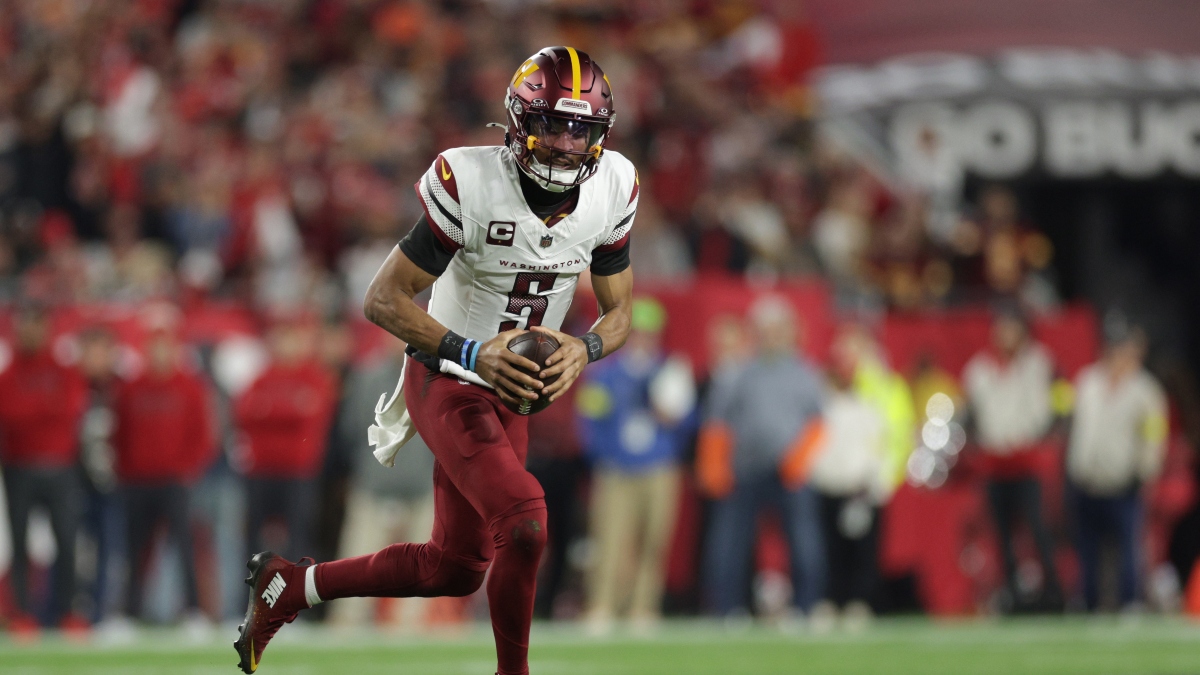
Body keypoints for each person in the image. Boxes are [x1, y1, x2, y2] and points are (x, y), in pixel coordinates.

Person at [234, 46, 636, 675]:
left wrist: (583, 350)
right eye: (552, 125)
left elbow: (620, 312)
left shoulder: (612, 185)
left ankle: (291, 587)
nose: (566, 144)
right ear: (519, 121)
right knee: (526, 522)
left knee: (455, 568)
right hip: (448, 375)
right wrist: (471, 352)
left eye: (580, 129)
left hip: (515, 394)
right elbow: (382, 299)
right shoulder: (471, 182)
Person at [696, 296, 826, 619]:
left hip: (790, 472)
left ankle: (806, 607)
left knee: (804, 542)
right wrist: (714, 466)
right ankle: (726, 609)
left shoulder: (804, 373)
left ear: (790, 331)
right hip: (744, 470)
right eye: (764, 329)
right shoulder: (739, 372)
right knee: (729, 543)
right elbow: (717, 421)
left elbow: (818, 422)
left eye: (777, 329)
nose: (771, 336)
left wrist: (800, 458)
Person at [577, 297, 695, 632]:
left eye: (650, 333)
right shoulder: (605, 374)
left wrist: (672, 420)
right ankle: (602, 605)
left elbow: (689, 421)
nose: (644, 340)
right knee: (609, 540)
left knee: (654, 540)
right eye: (638, 333)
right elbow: (588, 419)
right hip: (616, 469)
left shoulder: (670, 372)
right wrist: (604, 456)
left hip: (659, 468)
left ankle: (643, 607)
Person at [112, 318, 216, 625]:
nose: (159, 352)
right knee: (134, 548)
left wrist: (186, 470)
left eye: (164, 346)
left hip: (174, 481)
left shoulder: (189, 387)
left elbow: (202, 435)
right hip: (137, 481)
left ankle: (194, 612)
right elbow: (119, 434)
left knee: (184, 547)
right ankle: (129, 613)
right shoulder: (132, 387)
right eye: (154, 346)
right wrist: (126, 470)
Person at [328, 338, 435, 629]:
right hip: (373, 489)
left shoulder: (434, 377)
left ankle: (409, 635)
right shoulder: (367, 378)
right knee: (355, 573)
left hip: (421, 489)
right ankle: (346, 632)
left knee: (420, 581)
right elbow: (351, 431)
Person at [962, 307, 1063, 612]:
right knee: (1002, 533)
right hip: (995, 462)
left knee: (1037, 527)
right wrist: (978, 440)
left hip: (1028, 459)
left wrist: (1046, 434)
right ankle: (1012, 592)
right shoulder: (979, 369)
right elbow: (971, 412)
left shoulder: (1039, 363)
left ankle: (1054, 591)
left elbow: (1059, 403)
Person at [0, 304, 89, 632]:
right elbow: (9, 413)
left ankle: (68, 612)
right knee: (19, 542)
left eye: (36, 325)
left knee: (66, 541)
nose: (31, 333)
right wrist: (43, 409)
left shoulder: (64, 371)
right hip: (19, 466)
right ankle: (22, 613)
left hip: (60, 466)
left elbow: (71, 409)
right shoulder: (9, 374)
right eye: (25, 326)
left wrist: (31, 411)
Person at [1067, 323, 1167, 611]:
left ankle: (1130, 602)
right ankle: (1088, 601)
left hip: (1123, 482)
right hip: (1086, 480)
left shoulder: (1145, 390)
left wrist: (1146, 470)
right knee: (1087, 547)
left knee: (1128, 547)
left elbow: (1154, 434)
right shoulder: (1088, 381)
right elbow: (1076, 425)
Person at [234, 318, 337, 564]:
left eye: (292, 339)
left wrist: (268, 410)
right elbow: (243, 414)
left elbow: (314, 415)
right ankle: (252, 588)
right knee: (253, 540)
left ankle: (299, 589)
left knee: (299, 538)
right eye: (282, 339)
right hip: (261, 470)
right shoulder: (261, 377)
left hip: (298, 471)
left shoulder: (315, 377)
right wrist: (291, 408)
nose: (286, 345)